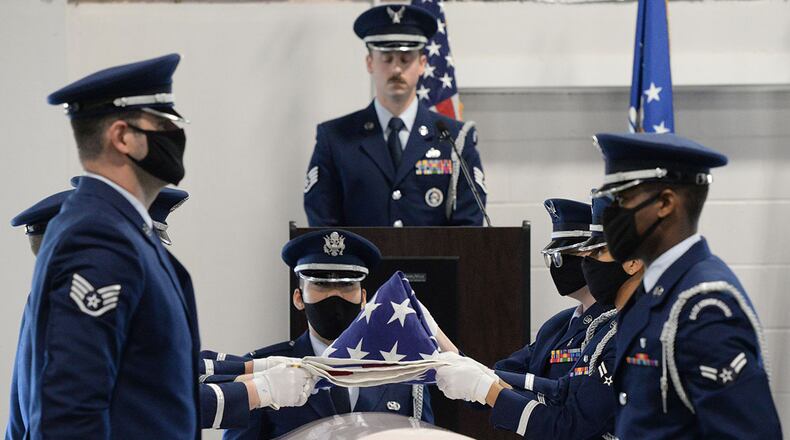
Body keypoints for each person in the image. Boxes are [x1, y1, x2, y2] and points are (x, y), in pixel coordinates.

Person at [590, 132, 782, 438]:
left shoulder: (704, 305)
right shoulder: (654, 291)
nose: (613, 214)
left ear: (666, 202)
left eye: (624, 199)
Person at [222, 229, 434, 439]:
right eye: (321, 285)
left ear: (363, 298)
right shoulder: (262, 368)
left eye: (347, 285)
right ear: (298, 298)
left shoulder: (404, 370)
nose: (335, 296)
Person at [304, 4, 486, 227]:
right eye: (387, 59)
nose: (396, 69)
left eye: (405, 59)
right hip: (361, 263)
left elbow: (470, 226)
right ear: (370, 63)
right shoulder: (335, 138)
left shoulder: (455, 139)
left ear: (422, 64)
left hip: (433, 263)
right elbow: (323, 223)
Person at [494, 199, 611, 381]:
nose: (557, 267)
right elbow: (502, 374)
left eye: (563, 256)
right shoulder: (557, 325)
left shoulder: (610, 324)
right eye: (553, 258)